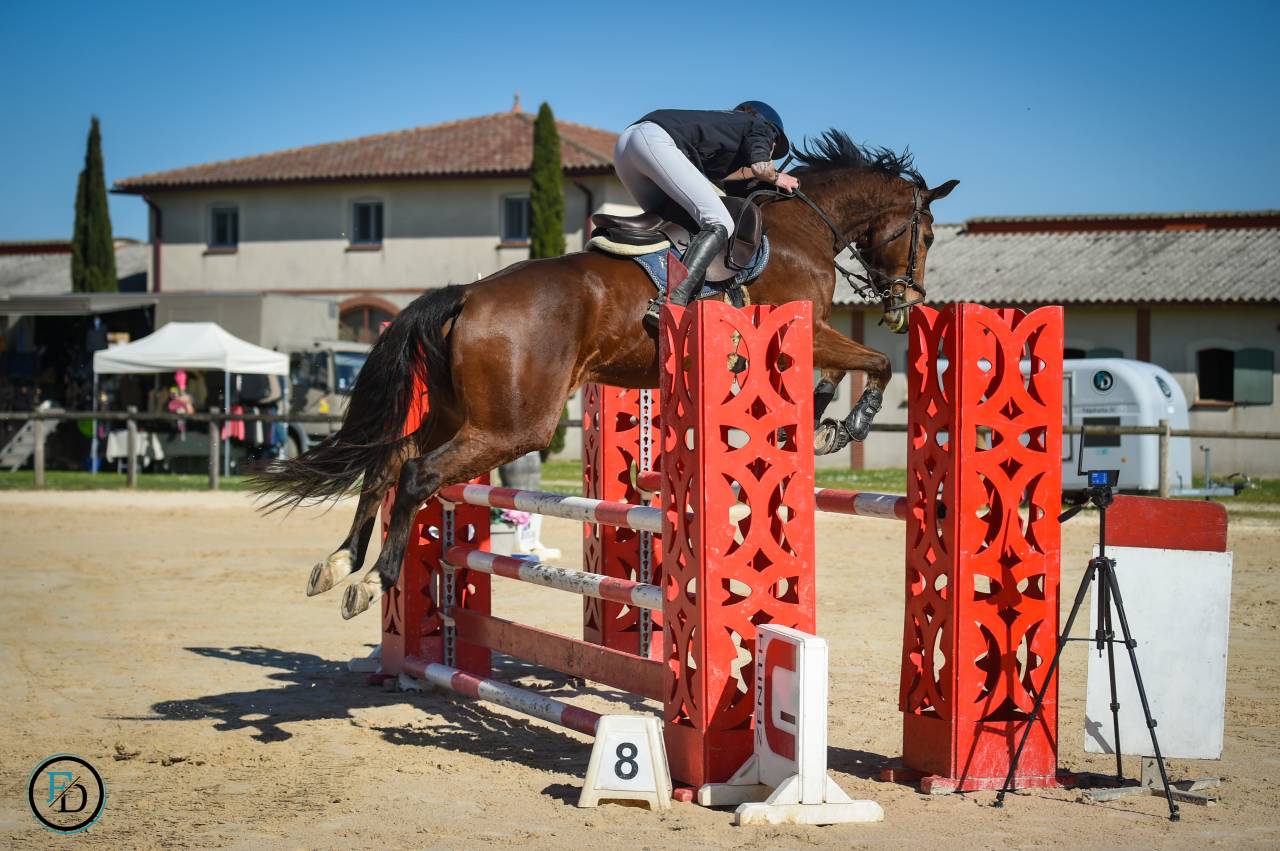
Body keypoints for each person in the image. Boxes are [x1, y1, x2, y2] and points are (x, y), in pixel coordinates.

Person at [613, 102, 799, 326]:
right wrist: (778, 178)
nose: (772, 152)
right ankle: (672, 300)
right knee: (720, 222)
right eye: (774, 149)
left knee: (671, 222)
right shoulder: (761, 126)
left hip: (625, 147)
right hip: (655, 141)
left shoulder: (720, 134)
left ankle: (646, 283)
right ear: (774, 134)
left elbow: (713, 187)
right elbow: (761, 167)